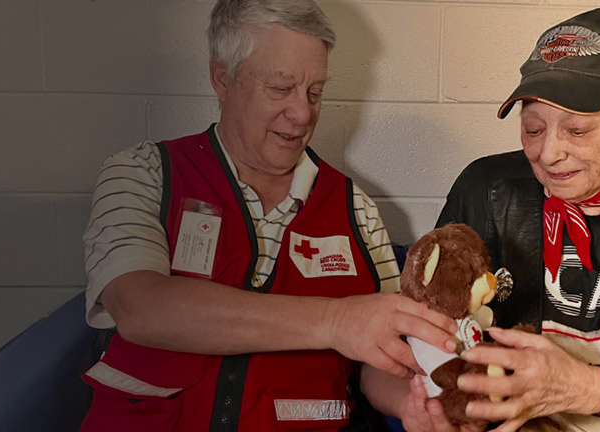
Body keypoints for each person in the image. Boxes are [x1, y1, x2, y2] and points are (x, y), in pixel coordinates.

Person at [364, 9, 600, 432]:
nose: (548, 153)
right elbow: (395, 353)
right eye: (533, 129)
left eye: (577, 131)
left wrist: (580, 387)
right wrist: (421, 412)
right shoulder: (486, 186)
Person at [78, 1, 459, 430]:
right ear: (223, 78)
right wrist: (335, 321)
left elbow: (380, 360)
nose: (302, 114)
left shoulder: (356, 210)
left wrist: (414, 404)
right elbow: (139, 307)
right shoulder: (145, 173)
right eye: (280, 89)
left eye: (315, 92)